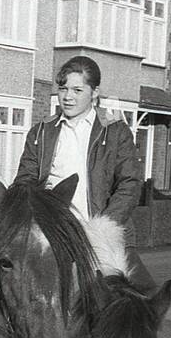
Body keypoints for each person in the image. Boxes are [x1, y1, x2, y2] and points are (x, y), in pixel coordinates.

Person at [12, 55, 155, 288]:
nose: (68, 97)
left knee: (143, 296)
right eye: (63, 88)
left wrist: (104, 226)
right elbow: (25, 180)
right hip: (52, 234)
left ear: (94, 92)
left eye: (77, 90)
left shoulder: (115, 131)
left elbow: (130, 183)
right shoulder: (41, 132)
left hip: (100, 233)